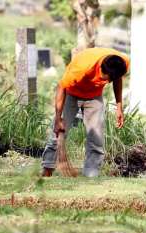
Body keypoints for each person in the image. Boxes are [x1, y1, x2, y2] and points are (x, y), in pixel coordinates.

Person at [41, 47, 130, 177]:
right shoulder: (82, 68)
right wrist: (58, 118)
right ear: (100, 68)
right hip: (71, 94)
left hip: (94, 97)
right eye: (104, 78)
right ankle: (47, 169)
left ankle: (91, 174)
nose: (105, 82)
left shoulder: (122, 62)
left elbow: (117, 79)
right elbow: (61, 88)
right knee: (58, 132)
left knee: (96, 138)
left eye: (108, 81)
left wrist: (119, 107)